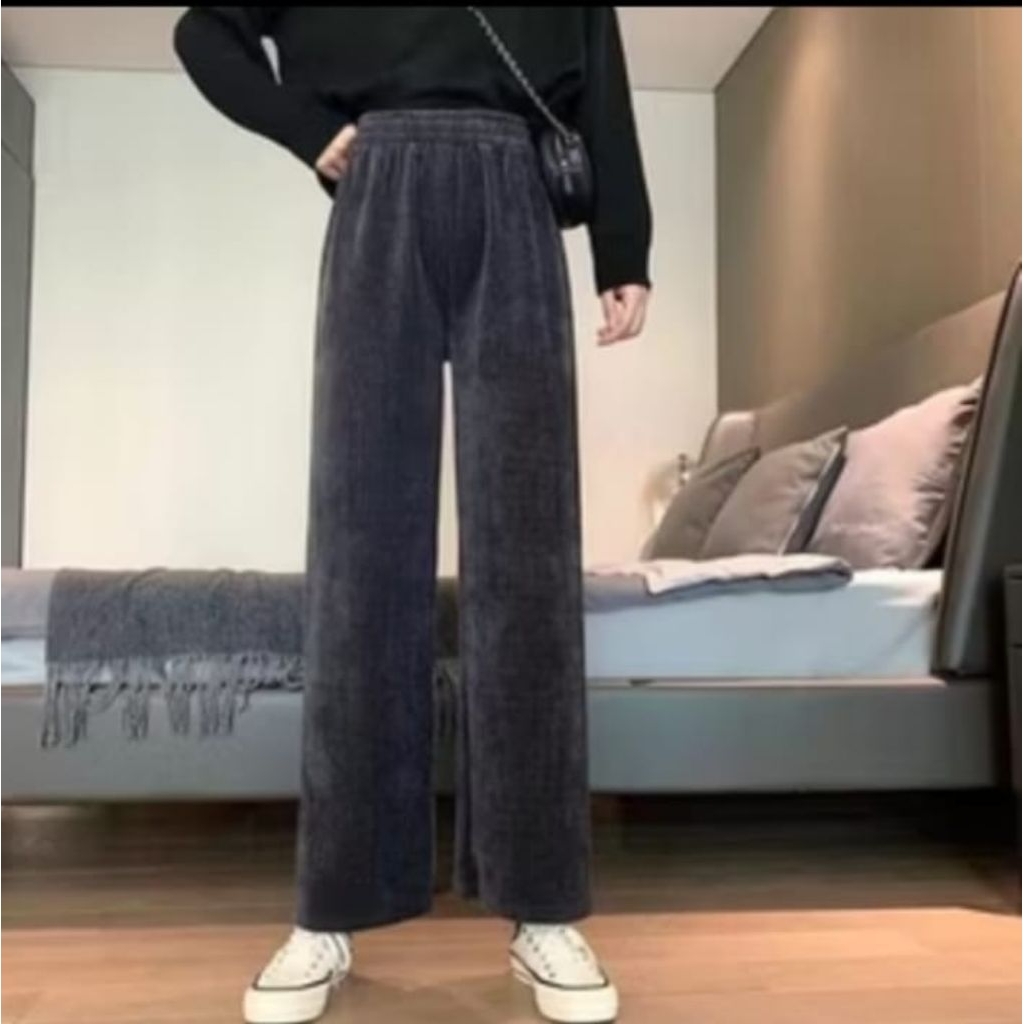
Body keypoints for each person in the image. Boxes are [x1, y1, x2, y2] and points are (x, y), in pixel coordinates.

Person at [173, 8, 652, 1023]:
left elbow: (602, 83)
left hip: (517, 192)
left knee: (529, 553)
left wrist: (623, 247)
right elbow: (203, 32)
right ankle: (331, 906)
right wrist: (308, 130)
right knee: (359, 549)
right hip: (378, 188)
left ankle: (542, 905)